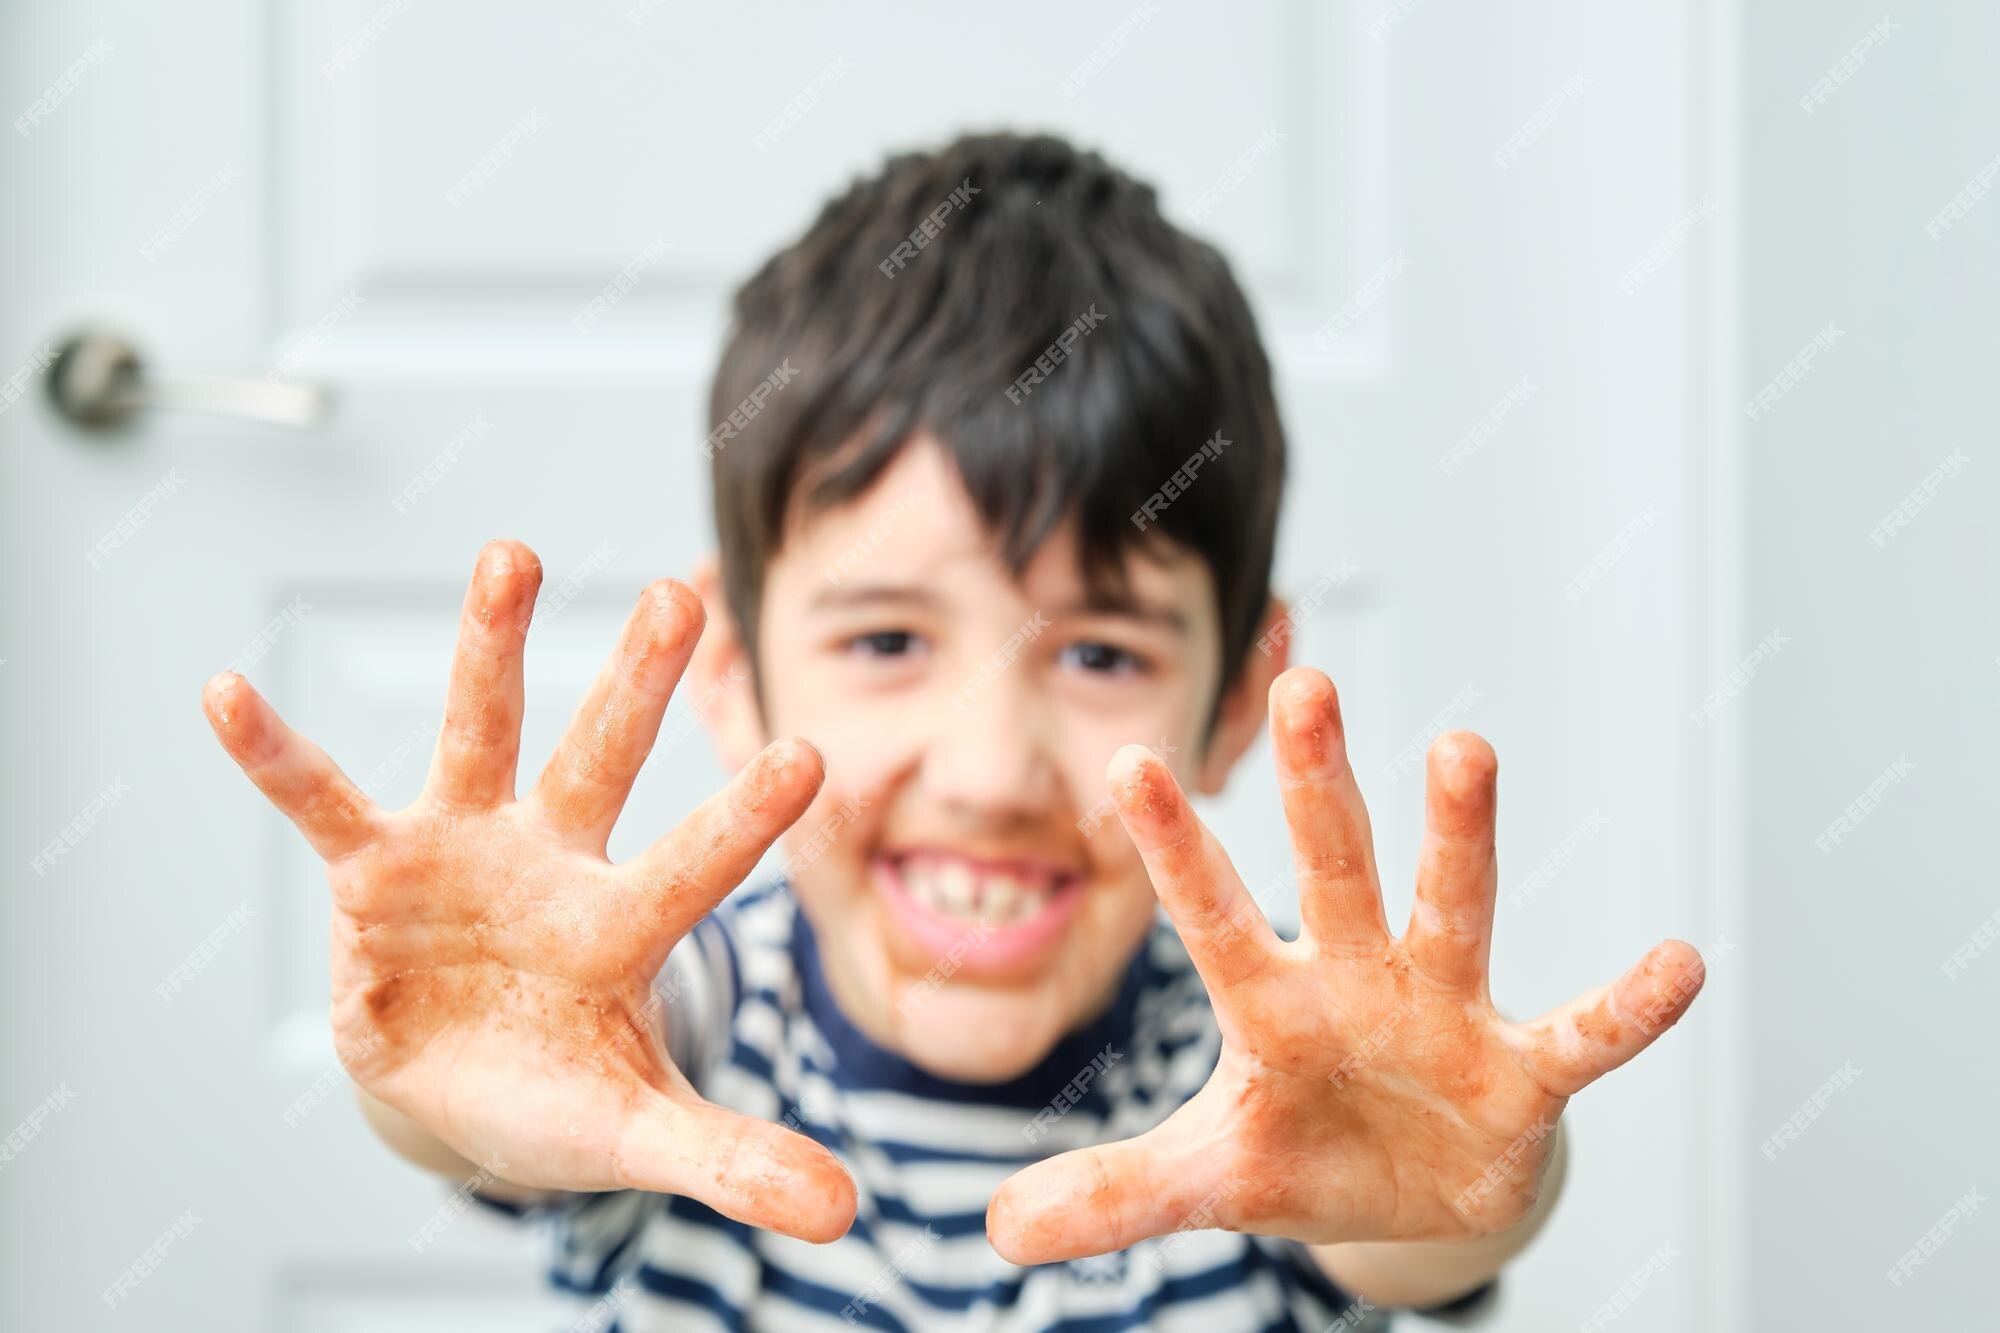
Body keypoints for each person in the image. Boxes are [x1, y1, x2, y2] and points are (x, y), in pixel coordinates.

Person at [202, 131, 1703, 1329]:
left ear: (1238, 696)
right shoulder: (679, 1020)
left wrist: (1482, 1179)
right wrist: (445, 1057)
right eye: (888, 640)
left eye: (1101, 651)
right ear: (733, 667)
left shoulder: (1273, 1070)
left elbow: (1405, 1230)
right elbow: (501, 1101)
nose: (990, 773)